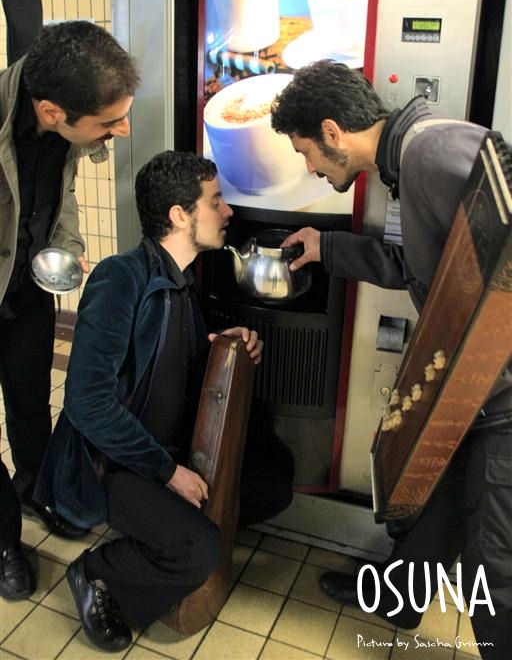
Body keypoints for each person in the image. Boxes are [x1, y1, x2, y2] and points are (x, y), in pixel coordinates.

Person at [270, 59, 512, 658]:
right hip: (468, 387)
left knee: (496, 558)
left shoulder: (432, 152)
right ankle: (399, 599)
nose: (309, 168)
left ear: (332, 132)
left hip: (501, 392)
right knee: (437, 500)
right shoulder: (406, 163)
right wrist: (327, 247)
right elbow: (415, 265)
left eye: (306, 153)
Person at [34, 150, 292, 652]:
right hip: (111, 464)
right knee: (200, 550)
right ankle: (98, 573)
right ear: (179, 215)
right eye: (215, 202)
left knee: (272, 486)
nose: (227, 211)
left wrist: (223, 348)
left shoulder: (180, 282)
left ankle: (162, 532)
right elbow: (88, 403)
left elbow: (175, 365)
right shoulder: (120, 278)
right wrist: (168, 473)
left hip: (160, 451)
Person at [0, 21, 140, 602]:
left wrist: (66, 245)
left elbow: (64, 193)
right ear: (53, 111)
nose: (122, 130)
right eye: (109, 123)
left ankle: (37, 490)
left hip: (26, 292)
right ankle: (4, 540)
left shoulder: (58, 124)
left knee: (31, 402)